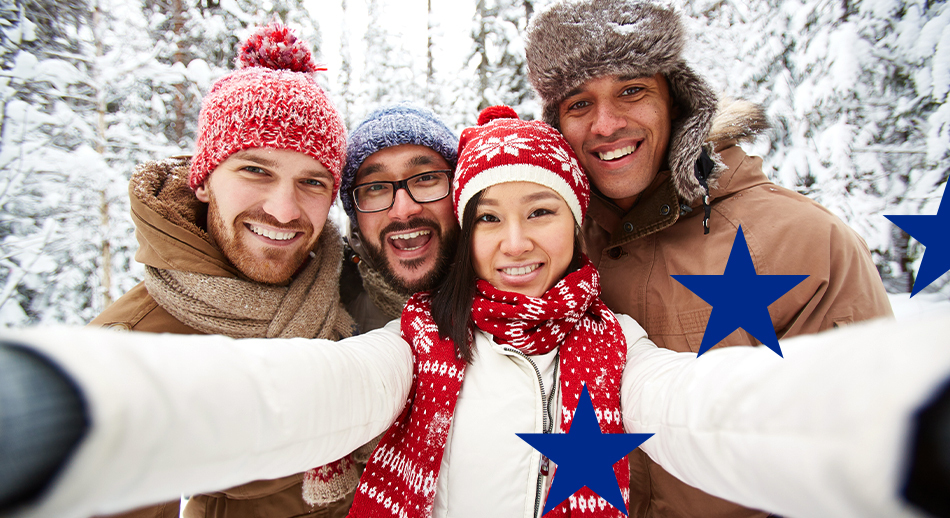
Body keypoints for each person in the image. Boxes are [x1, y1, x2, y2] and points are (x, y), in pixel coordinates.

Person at [0, 109, 948, 518]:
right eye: (488, 217)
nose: (514, 241)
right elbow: (299, 394)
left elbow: (712, 409)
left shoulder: (617, 345)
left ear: (578, 228)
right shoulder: (418, 343)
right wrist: (82, 410)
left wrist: (889, 423)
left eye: (541, 211)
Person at [523, 1, 895, 515]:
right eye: (579, 104)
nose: (606, 124)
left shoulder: (803, 241)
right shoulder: (545, 247)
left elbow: (868, 452)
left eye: (632, 91)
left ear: (677, 102)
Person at [86, 22, 362, 518]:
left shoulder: (348, 286)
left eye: (313, 182)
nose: (283, 210)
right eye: (255, 170)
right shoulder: (129, 349)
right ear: (204, 180)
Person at [337, 104, 460, 331]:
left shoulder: (520, 281)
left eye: (426, 178)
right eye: (375, 187)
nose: (403, 210)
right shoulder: (326, 304)